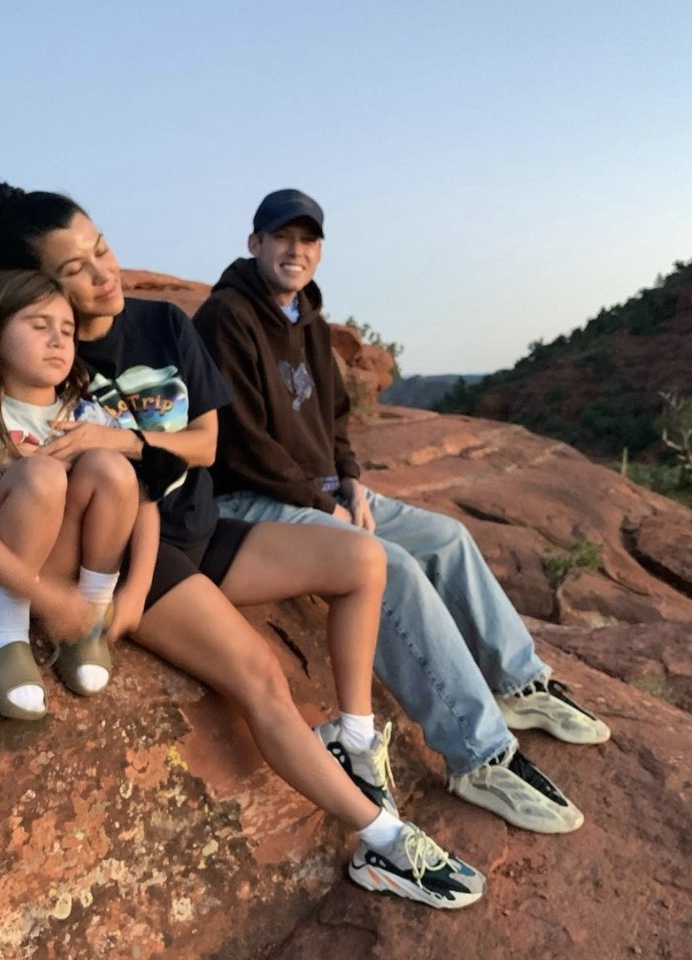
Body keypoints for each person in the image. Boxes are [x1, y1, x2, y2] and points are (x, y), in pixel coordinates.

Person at [0, 183, 485, 909]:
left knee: (346, 581)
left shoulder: (148, 336)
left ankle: (368, 781)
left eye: (102, 248)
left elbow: (200, 447)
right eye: (74, 270)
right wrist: (23, 469)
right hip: (112, 550)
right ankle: (385, 841)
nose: (103, 274)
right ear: (30, 291)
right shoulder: (31, 365)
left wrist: (121, 446)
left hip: (180, 536)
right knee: (254, 673)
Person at [193, 188, 612, 836]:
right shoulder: (225, 318)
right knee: (386, 567)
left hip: (326, 491)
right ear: (255, 243)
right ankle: (477, 754)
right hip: (256, 498)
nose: (294, 250)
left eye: (306, 241)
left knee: (446, 538)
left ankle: (518, 682)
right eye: (281, 238)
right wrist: (324, 503)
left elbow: (334, 421)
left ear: (319, 251)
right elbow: (241, 443)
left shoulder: (307, 318)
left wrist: (352, 483)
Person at [0, 269, 157, 720]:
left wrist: (132, 593)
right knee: (41, 475)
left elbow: (143, 502)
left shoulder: (88, 413)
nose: (58, 341)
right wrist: (51, 601)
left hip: (58, 579)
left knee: (111, 466)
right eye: (39, 326)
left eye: (67, 330)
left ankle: (86, 627)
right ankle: (2, 636)